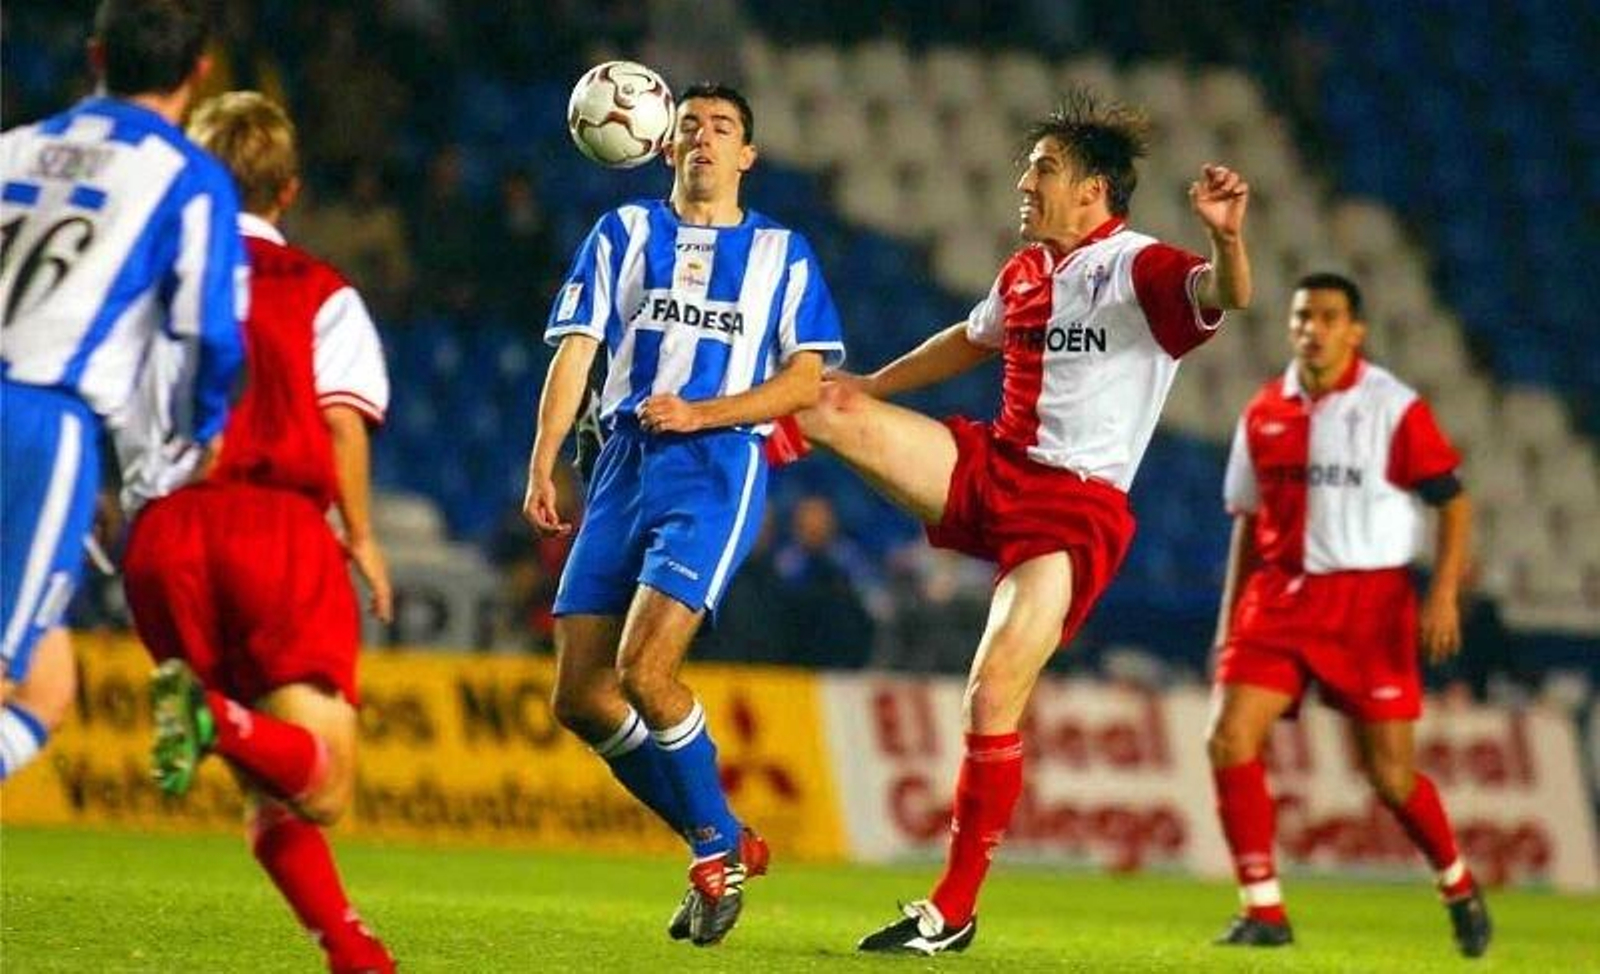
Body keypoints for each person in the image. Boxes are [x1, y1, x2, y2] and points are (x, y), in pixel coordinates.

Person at [794, 88, 1253, 954]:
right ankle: (723, 463)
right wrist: (874, 387)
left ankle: (952, 911)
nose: (1024, 182)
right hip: (992, 467)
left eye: (1042, 169)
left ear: (1092, 191)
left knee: (992, 691)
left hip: (1071, 510)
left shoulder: (1142, 268)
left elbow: (1223, 293)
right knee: (825, 405)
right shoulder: (1026, 272)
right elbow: (970, 340)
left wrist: (1227, 238)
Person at [523, 81, 844, 947]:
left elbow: (805, 381)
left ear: (748, 155)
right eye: (691, 125)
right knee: (580, 698)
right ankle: (725, 837)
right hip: (621, 463)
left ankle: (712, 854)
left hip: (715, 466)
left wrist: (704, 413)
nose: (704, 137)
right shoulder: (623, 231)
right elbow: (578, 349)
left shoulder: (782, 252)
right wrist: (544, 458)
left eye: (723, 127)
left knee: (645, 670)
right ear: (665, 146)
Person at [115, 91, 396, 974]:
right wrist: (362, 535)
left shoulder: (142, 280)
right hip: (275, 528)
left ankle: (352, 952)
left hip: (164, 533)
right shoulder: (321, 292)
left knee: (265, 778)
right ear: (289, 190)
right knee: (325, 782)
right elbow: (343, 423)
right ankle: (214, 719)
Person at [1206, 272, 1490, 956]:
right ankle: (1264, 910)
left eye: (1329, 317)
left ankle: (1456, 883)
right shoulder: (1264, 411)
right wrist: (1229, 622)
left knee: (1390, 778)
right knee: (1228, 737)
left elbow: (1453, 503)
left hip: (1369, 607)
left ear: (1355, 331)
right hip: (1279, 599)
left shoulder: (1392, 407)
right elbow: (1248, 523)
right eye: (1303, 316)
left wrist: (1443, 595)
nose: (1313, 328)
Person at [0, 0, 244, 780]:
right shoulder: (186, 179)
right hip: (38, 424)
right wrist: (202, 431)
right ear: (200, 73)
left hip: (37, 415)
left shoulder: (13, 149)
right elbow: (209, 332)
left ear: (97, 55)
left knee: (47, 685)